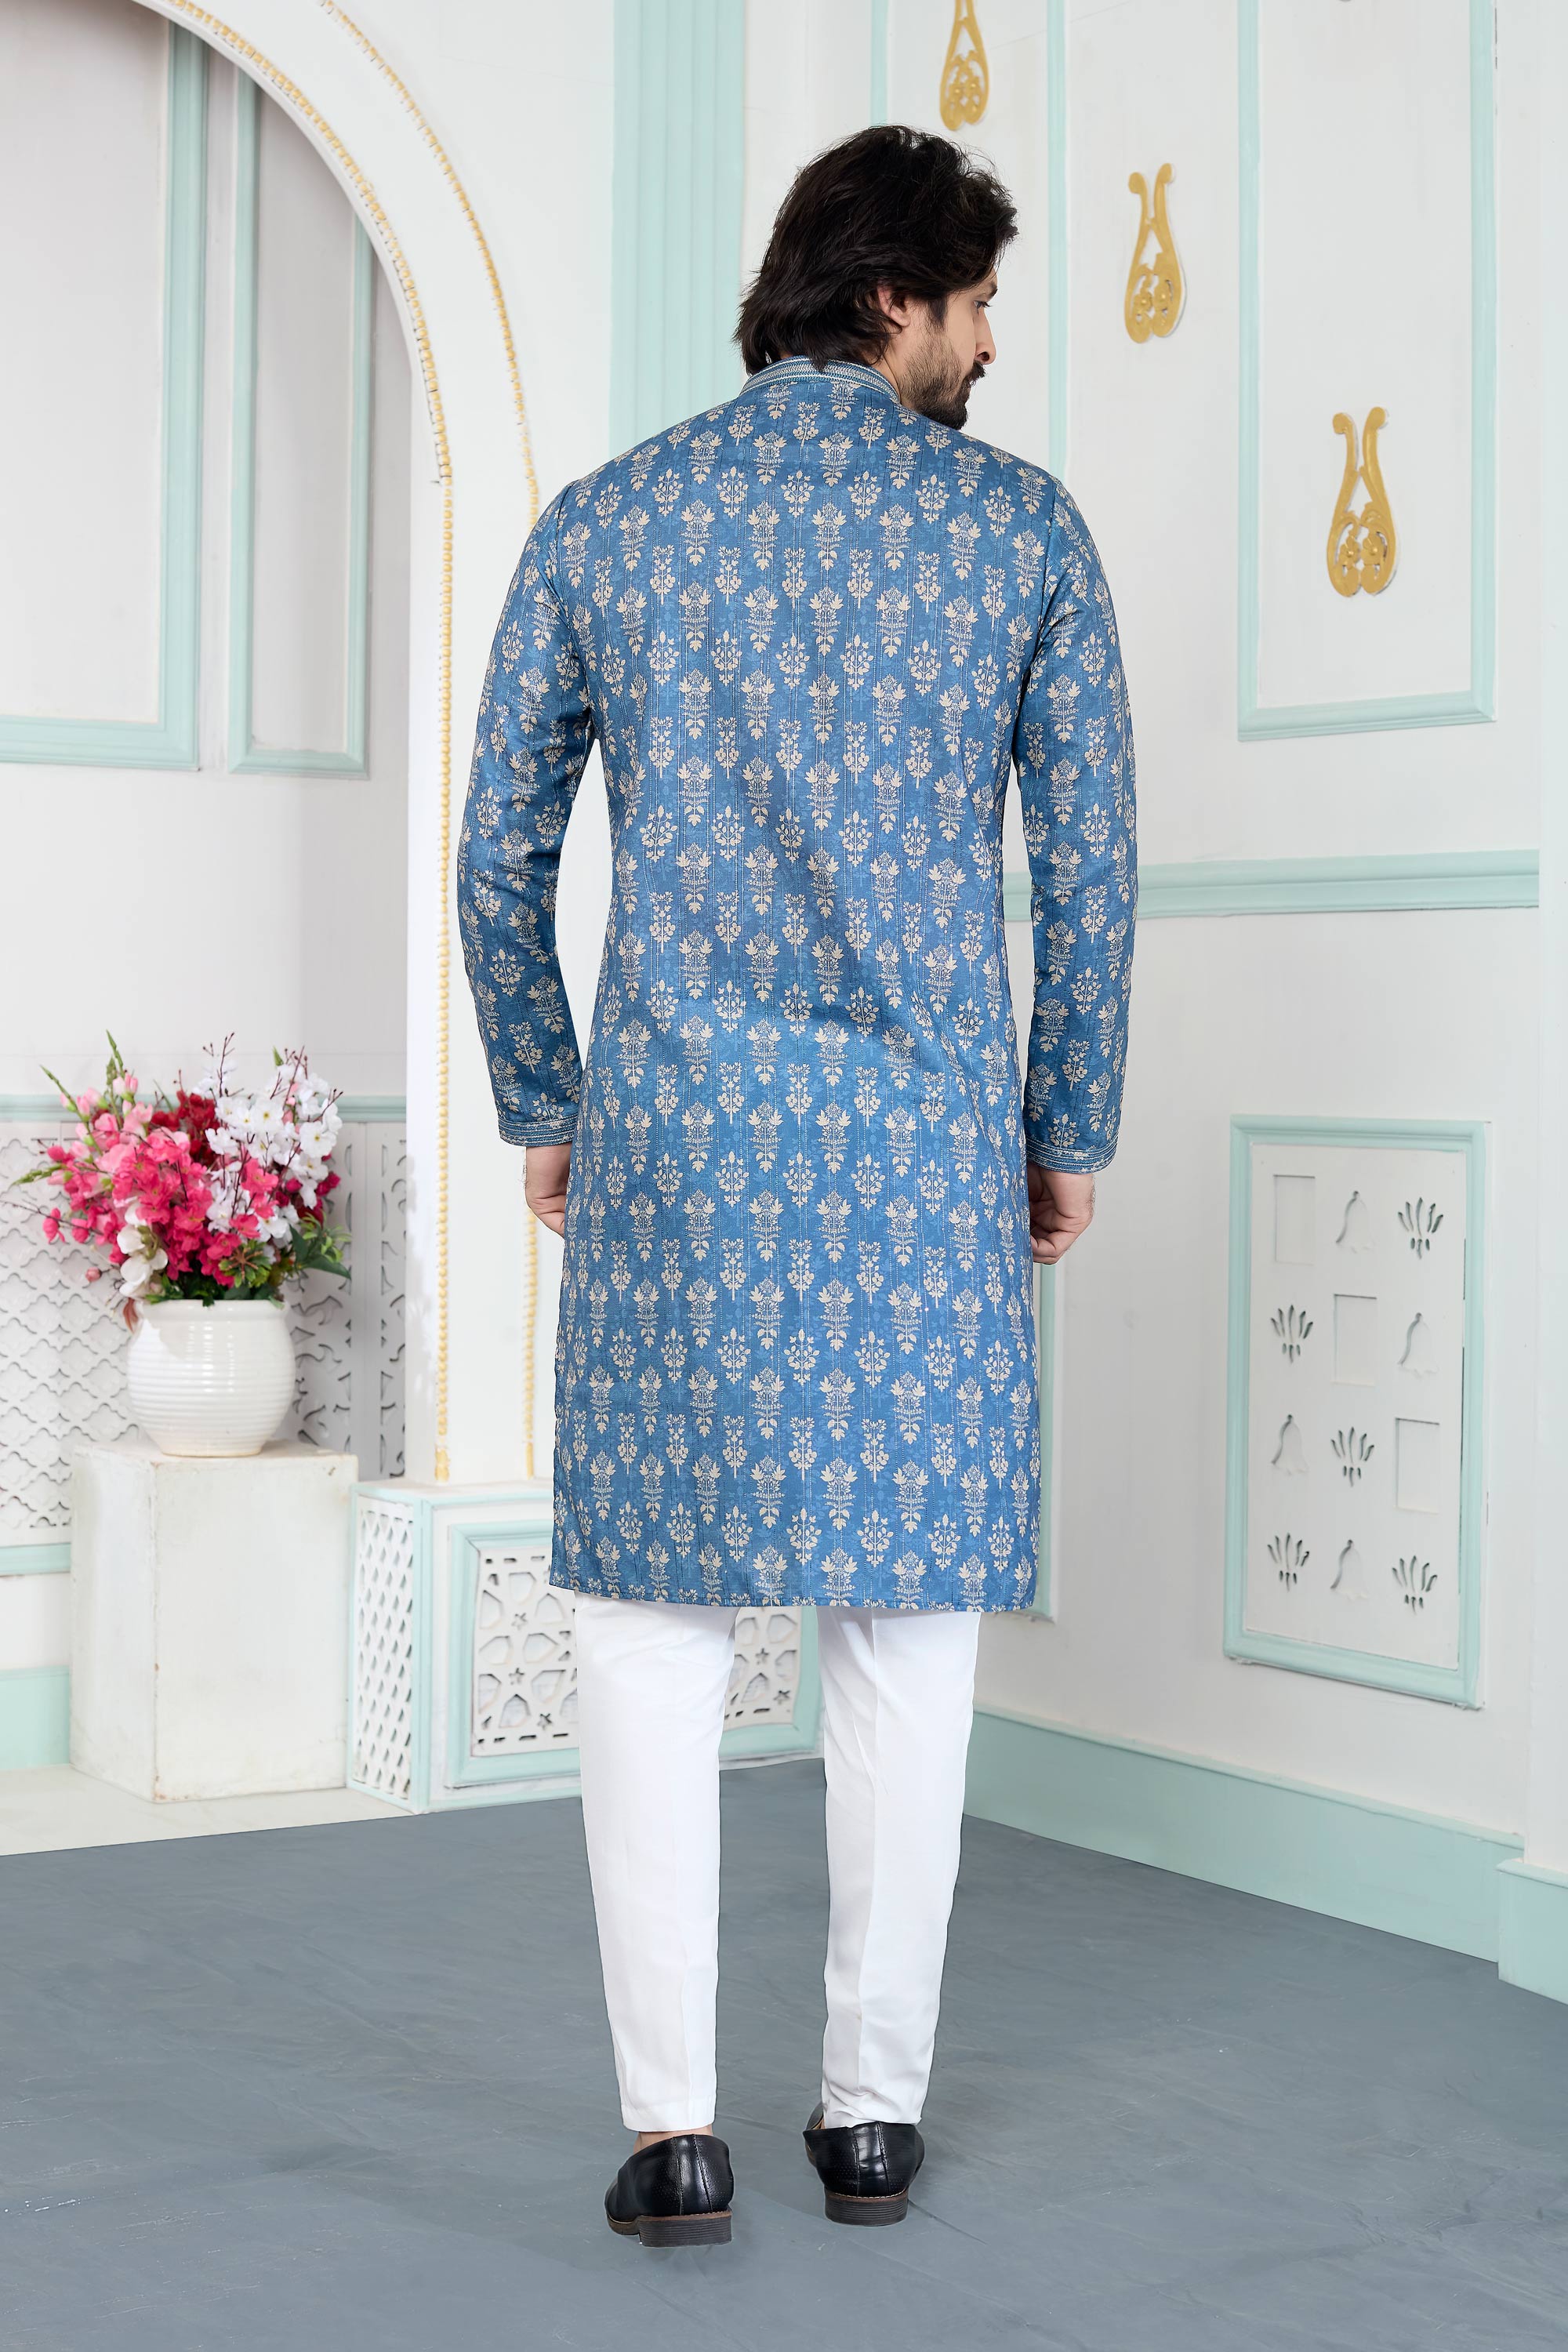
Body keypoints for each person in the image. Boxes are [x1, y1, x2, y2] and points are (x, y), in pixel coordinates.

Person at [457, 122, 1136, 2248]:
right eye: (978, 303)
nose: (990, 343)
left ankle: (672, 2134)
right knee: (906, 1639)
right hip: (925, 1169)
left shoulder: (610, 520)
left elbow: (497, 855)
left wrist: (549, 1097)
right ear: (892, 295)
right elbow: (1092, 872)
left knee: (654, 1638)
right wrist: (1065, 1124)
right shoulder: (1021, 533)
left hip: (679, 1156)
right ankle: (871, 2120)